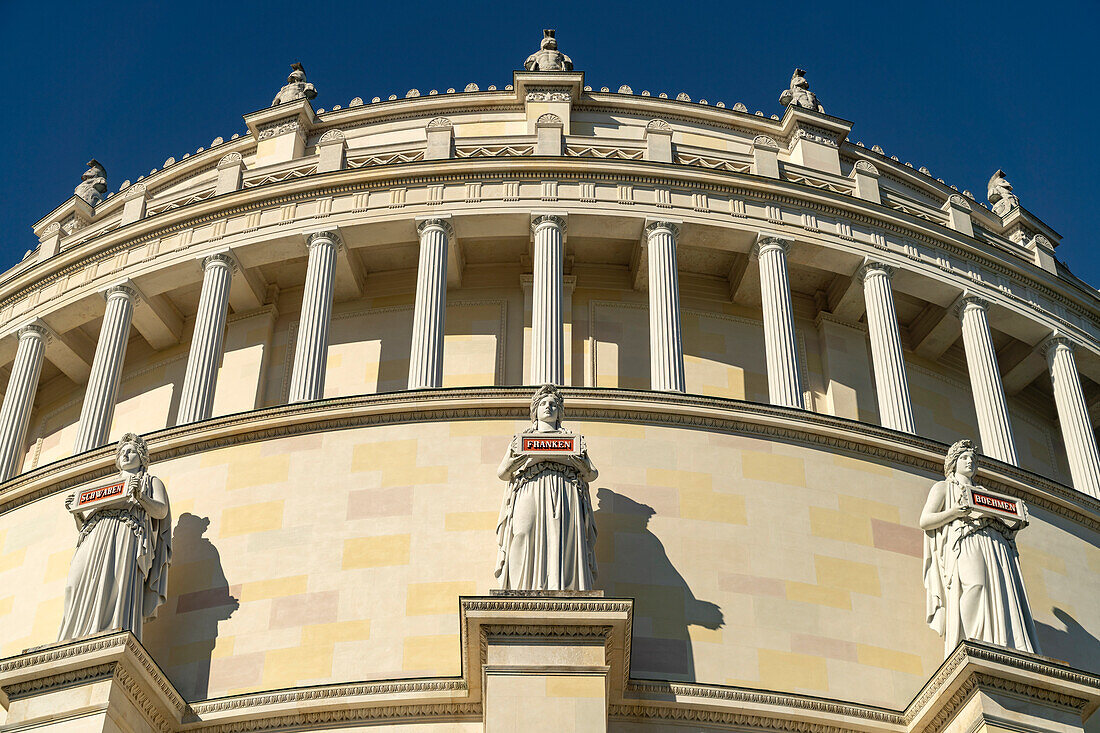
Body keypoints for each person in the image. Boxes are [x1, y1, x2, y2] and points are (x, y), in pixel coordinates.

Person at [920, 439, 1040, 656]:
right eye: (964, 458)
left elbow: (1002, 522)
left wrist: (1016, 523)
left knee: (998, 590)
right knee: (976, 585)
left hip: (993, 544)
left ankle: (998, 640)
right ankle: (972, 639)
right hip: (965, 541)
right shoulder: (943, 488)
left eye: (973, 459)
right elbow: (925, 520)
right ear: (953, 462)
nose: (969, 462)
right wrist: (955, 512)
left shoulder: (983, 491)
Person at [58, 433, 172, 642]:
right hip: (95, 536)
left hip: (125, 534)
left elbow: (161, 511)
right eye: (122, 452)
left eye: (131, 451)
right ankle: (74, 635)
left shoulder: (150, 481)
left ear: (142, 457)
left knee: (116, 583)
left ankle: (111, 632)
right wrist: (77, 513)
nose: (125, 455)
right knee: (74, 583)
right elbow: (84, 527)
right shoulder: (104, 488)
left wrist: (141, 497)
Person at [495, 385, 597, 590]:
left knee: (561, 538)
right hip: (530, 487)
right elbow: (502, 472)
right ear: (535, 410)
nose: (548, 407)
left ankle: (562, 587)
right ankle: (520, 588)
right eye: (543, 404)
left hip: (563, 489)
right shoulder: (520, 440)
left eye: (553, 404)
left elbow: (592, 474)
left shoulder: (573, 439)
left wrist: (577, 462)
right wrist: (521, 460)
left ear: (560, 411)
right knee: (522, 531)